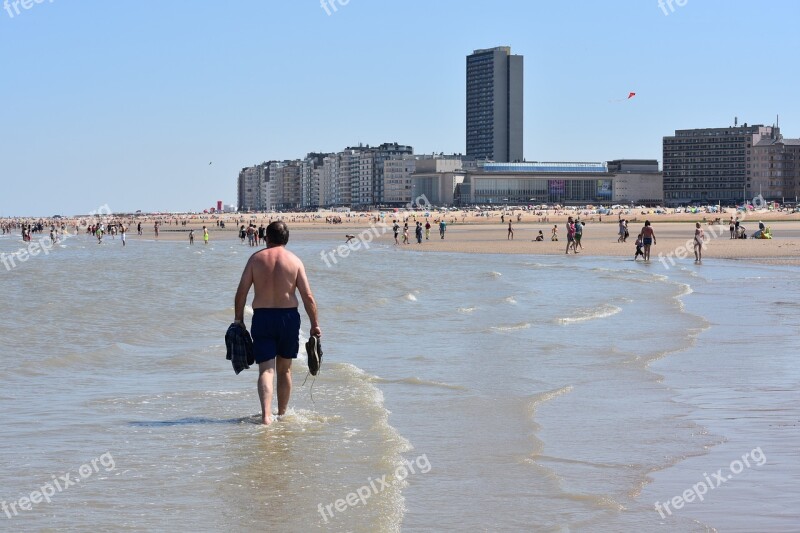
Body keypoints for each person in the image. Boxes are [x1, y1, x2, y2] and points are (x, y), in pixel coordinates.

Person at [234, 221, 321, 426]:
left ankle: (266, 417)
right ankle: (282, 415)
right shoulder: (295, 261)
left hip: (262, 318)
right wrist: (315, 324)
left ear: (266, 238)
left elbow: (241, 292)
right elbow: (307, 296)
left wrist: (238, 320)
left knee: (266, 370)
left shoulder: (255, 259)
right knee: (285, 370)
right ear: (286, 239)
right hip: (288, 318)